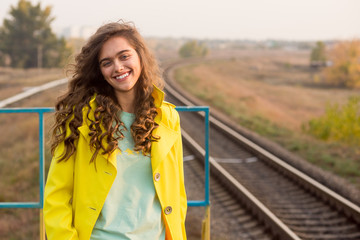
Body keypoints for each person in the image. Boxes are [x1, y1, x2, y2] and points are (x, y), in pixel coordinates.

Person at [44, 21, 187, 240]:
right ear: (100, 71)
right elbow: (57, 197)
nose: (118, 67)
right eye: (107, 62)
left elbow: (177, 193)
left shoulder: (167, 117)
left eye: (124, 56)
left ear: (140, 57)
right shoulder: (80, 120)